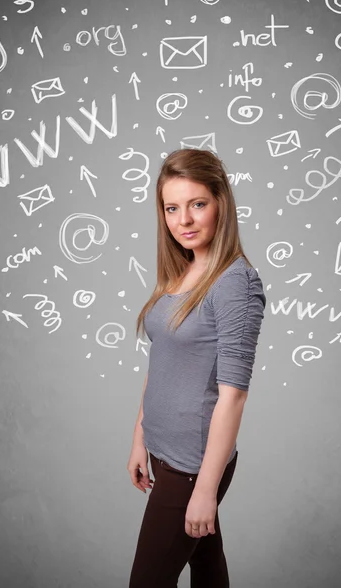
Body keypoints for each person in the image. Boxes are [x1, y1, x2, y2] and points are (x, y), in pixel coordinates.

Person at [127, 148, 267, 587]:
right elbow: (163, 362)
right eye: (172, 207)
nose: (183, 220)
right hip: (165, 453)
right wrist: (139, 439)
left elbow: (234, 394)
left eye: (197, 204)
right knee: (208, 571)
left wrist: (205, 489)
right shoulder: (183, 272)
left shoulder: (235, 284)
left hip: (193, 465)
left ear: (221, 202)